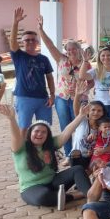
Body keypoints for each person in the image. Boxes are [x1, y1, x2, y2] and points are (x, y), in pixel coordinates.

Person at [1, 104, 91, 209]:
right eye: (36, 131)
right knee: (43, 196)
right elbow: (16, 136)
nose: (40, 134)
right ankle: (75, 195)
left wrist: (80, 116)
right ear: (30, 133)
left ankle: (91, 197)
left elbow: (66, 132)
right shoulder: (21, 147)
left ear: (47, 136)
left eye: (44, 132)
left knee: (78, 169)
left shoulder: (50, 144)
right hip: (32, 188)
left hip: (53, 182)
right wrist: (12, 119)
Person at [37, 15, 88, 157]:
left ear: (79, 49)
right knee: (65, 127)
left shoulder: (85, 63)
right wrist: (41, 30)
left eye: (74, 48)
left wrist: (84, 88)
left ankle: (79, 152)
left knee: (79, 126)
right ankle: (68, 155)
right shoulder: (61, 59)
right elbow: (50, 45)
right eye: (68, 49)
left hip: (79, 99)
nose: (71, 51)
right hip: (62, 98)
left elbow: (90, 81)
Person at [9, 8, 55, 131]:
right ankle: (23, 145)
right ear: (22, 42)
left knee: (45, 128)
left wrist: (52, 95)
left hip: (43, 99)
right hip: (24, 98)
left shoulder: (43, 59)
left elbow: (50, 78)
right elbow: (12, 41)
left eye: (33, 39)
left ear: (37, 42)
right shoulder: (18, 56)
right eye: (27, 40)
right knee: (24, 129)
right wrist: (15, 23)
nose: (30, 41)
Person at [78, 47, 110, 140]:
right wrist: (85, 61)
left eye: (108, 55)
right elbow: (82, 76)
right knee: (99, 129)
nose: (106, 57)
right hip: (99, 106)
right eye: (103, 55)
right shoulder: (96, 70)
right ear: (99, 57)